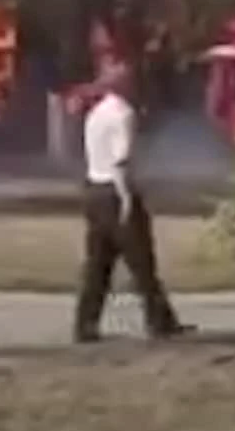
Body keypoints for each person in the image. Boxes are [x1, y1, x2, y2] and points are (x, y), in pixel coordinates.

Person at [73, 59, 193, 343]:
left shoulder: (95, 114)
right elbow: (121, 160)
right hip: (116, 191)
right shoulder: (124, 114)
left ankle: (85, 324)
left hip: (94, 190)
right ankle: (158, 320)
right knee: (142, 263)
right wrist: (127, 198)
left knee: (97, 264)